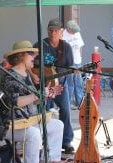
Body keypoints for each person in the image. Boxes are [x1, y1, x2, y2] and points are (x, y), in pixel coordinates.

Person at [0, 40, 64, 163]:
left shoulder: (27, 75)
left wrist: (46, 95)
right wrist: (38, 95)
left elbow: (33, 101)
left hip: (27, 121)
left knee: (57, 125)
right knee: (33, 134)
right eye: (31, 53)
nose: (34, 57)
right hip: (9, 124)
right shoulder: (9, 76)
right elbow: (16, 102)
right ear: (20, 56)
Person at [31, 18, 75, 153]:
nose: (52, 33)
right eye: (50, 30)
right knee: (43, 111)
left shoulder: (66, 47)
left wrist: (65, 73)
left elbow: (70, 66)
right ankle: (44, 140)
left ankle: (66, 141)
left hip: (60, 85)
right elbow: (31, 65)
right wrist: (36, 76)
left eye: (56, 30)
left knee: (66, 110)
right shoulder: (40, 44)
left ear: (61, 31)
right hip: (43, 85)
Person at [63, 20, 84, 108]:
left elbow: (79, 47)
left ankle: (80, 102)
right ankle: (68, 103)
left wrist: (80, 58)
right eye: (73, 31)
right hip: (69, 62)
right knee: (70, 84)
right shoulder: (63, 35)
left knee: (79, 82)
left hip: (77, 61)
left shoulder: (77, 33)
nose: (75, 32)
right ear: (68, 29)